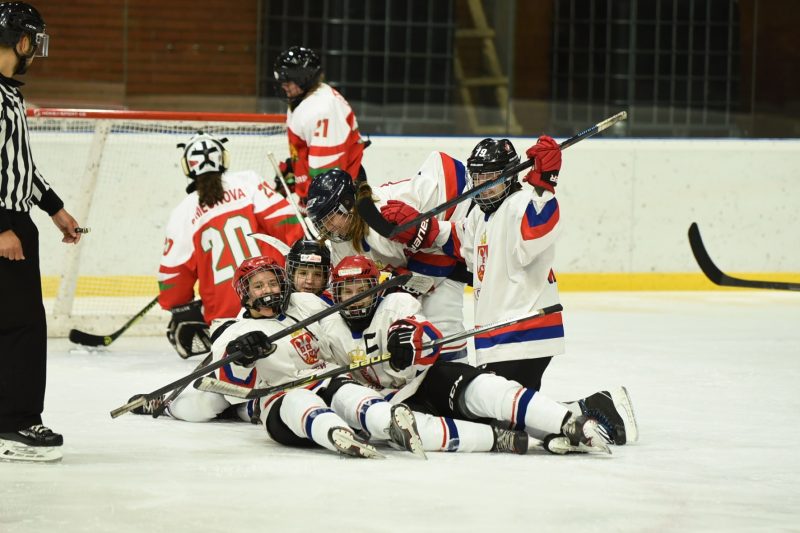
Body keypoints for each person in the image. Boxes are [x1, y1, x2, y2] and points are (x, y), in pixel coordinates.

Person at [387, 137, 638, 445]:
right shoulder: (479, 215)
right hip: (499, 336)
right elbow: (462, 241)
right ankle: (577, 418)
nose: (483, 187)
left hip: (523, 330)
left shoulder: (521, 204)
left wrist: (545, 183)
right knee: (505, 410)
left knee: (494, 411)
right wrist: (423, 229)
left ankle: (587, 413)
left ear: (509, 177)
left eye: (491, 179)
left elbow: (539, 226)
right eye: (478, 178)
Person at [322, 255, 613, 455]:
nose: (354, 298)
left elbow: (427, 336)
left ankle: (569, 422)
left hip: (428, 381)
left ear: (376, 289)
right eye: (346, 290)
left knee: (486, 389)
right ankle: (500, 439)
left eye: (361, 289)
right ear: (335, 293)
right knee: (406, 432)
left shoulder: (395, 303)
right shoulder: (330, 327)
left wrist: (409, 341)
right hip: (395, 402)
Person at [0, 2, 81, 463]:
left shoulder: (8, 93)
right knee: (22, 327)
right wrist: (1, 227)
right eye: (34, 39)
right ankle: (15, 424)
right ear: (21, 39)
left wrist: (54, 208)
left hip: (16, 221)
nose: (35, 49)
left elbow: (18, 165)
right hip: (4, 227)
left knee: (14, 324)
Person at [305, 158, 471, 362]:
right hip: (426, 246)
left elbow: (436, 256)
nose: (328, 228)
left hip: (459, 203)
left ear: (348, 204)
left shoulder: (385, 216)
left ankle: (455, 371)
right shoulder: (342, 241)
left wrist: (405, 282)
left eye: (330, 217)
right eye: (322, 222)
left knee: (440, 322)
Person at [158, 131, 305, 359]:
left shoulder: (182, 213)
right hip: (275, 300)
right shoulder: (249, 183)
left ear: (188, 167)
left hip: (226, 321)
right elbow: (291, 229)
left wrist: (180, 306)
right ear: (223, 159)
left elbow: (172, 282)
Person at [272, 46, 366, 208]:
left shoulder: (323, 109)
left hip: (339, 202)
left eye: (287, 80)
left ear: (303, 78)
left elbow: (328, 176)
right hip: (326, 195)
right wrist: (295, 169)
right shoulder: (304, 100)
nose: (283, 85)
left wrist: (313, 206)